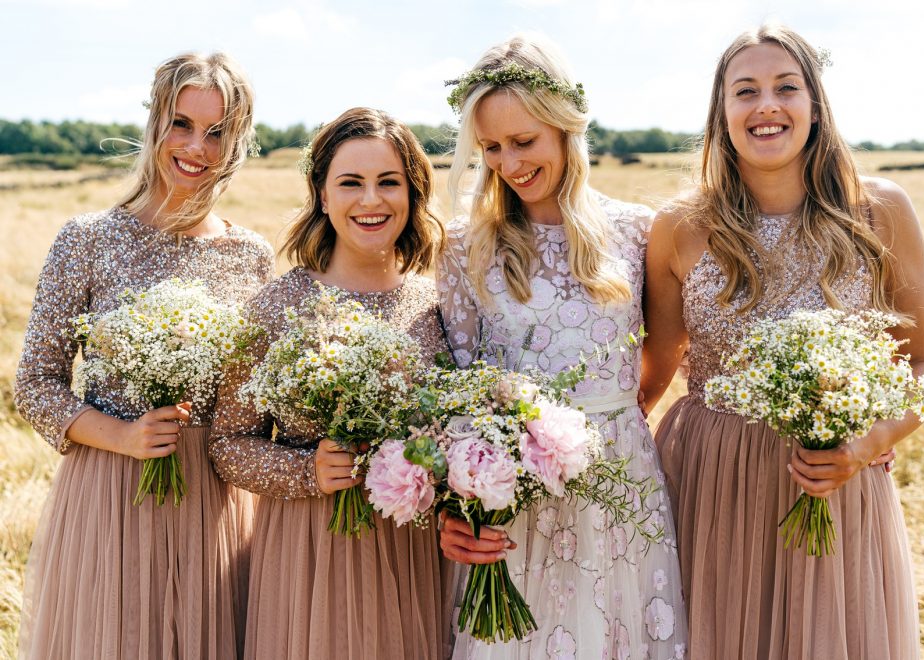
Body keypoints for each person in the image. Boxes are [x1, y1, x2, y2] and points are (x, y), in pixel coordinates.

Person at [644, 24, 924, 660]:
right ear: (721, 113)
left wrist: (867, 445)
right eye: (744, 90)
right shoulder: (678, 226)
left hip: (834, 476)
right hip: (710, 480)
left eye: (786, 87)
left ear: (815, 103)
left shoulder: (879, 211)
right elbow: (655, 370)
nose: (766, 105)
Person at [14, 52, 273, 659]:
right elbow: (35, 383)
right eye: (182, 124)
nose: (197, 148)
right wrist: (123, 436)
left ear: (238, 142)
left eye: (217, 133)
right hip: (110, 492)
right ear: (156, 121)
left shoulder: (252, 256)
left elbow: (253, 405)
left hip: (214, 500)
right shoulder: (88, 239)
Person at [436, 34, 687, 659]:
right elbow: (460, 381)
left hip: (620, 485)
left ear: (566, 128)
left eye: (524, 141)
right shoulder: (466, 245)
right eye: (491, 147)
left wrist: (613, 421)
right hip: (514, 495)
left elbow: (660, 353)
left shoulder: (636, 229)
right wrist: (490, 476)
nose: (508, 163)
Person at [208, 107, 452, 660]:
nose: (371, 200)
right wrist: (306, 470)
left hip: (412, 551)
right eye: (351, 183)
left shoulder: (435, 305)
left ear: (412, 194)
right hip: (310, 550)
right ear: (321, 194)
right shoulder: (276, 306)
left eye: (389, 182)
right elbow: (227, 444)